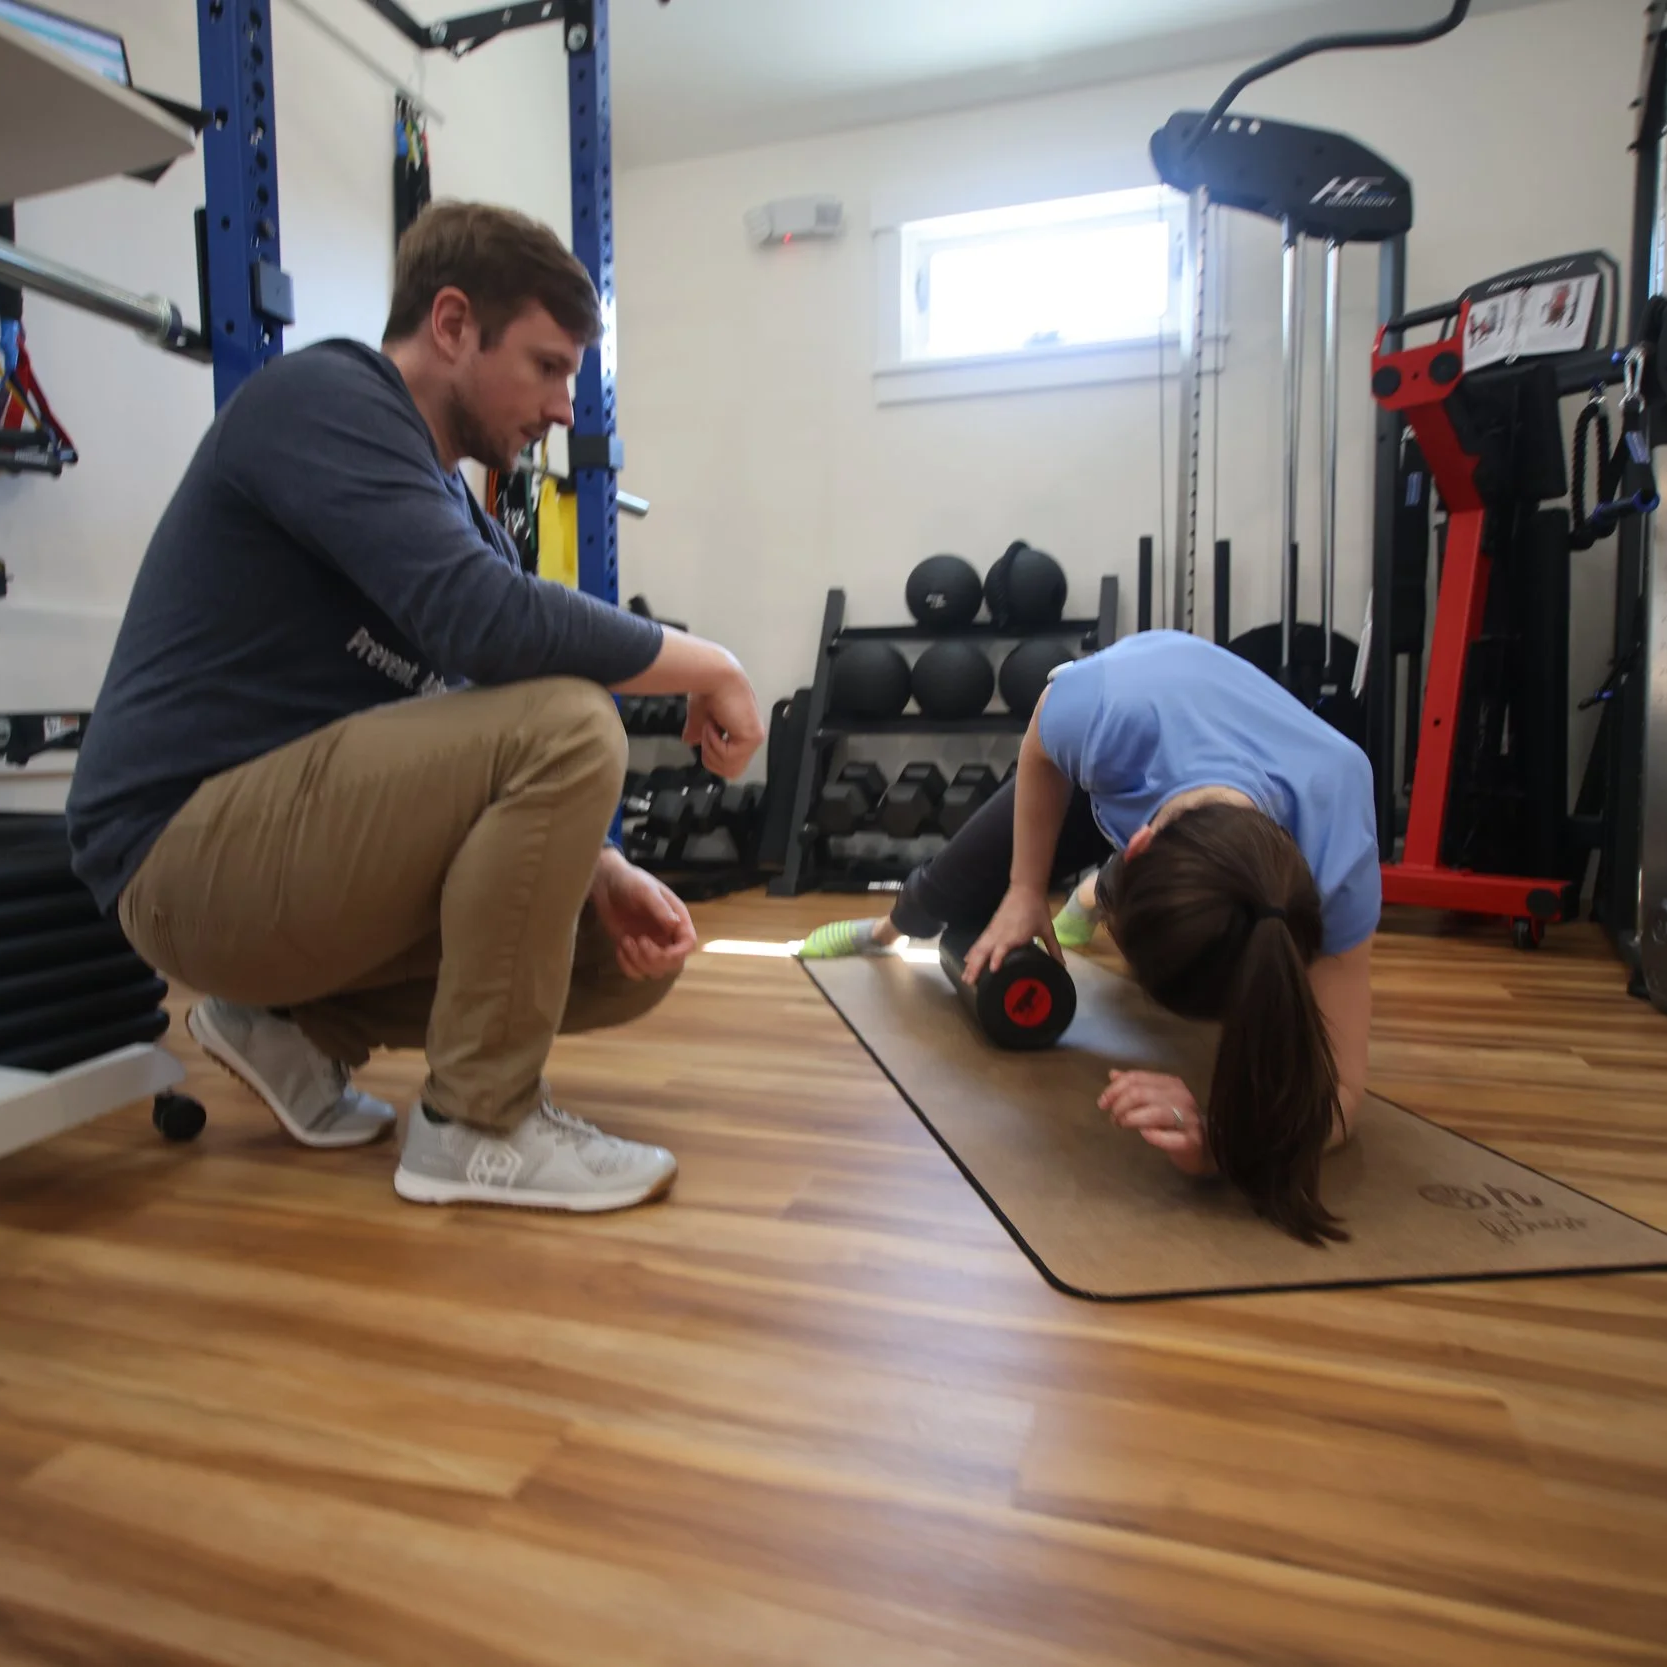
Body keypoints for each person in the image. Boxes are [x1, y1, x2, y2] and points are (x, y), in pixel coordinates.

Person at [66, 201, 764, 1214]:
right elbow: (486, 629)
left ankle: (294, 1032)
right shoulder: (321, 400)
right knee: (573, 719)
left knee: (614, 958)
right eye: (546, 365)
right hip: (178, 856)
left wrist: (599, 865)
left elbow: (474, 710)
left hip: (287, 857)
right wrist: (712, 664)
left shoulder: (461, 516)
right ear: (450, 324)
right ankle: (479, 1126)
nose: (565, 406)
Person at [797, 630, 1380, 1245]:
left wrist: (1222, 1143)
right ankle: (888, 929)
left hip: (1180, 795)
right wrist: (1025, 888)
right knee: (947, 887)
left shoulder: (1334, 857)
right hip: (1119, 757)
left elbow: (1343, 1093)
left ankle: (1086, 899)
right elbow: (1037, 752)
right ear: (1136, 846)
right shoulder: (1101, 712)